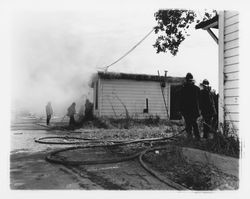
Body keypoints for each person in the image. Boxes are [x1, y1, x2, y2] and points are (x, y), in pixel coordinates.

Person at [180, 73, 201, 140]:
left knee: (188, 124)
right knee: (194, 124)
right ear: (192, 80)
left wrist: (181, 111)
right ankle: (197, 138)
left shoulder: (183, 89)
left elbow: (181, 101)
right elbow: (200, 101)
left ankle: (190, 138)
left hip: (186, 111)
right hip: (194, 111)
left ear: (186, 80)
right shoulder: (197, 89)